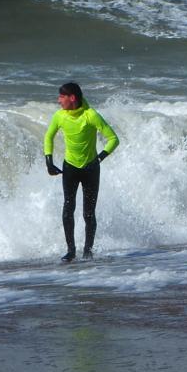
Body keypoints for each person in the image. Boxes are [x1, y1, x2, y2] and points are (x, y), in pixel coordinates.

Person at [44, 82, 120, 261]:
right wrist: (49, 160)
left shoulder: (90, 115)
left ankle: (88, 251)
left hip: (90, 170)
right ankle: (71, 251)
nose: (58, 100)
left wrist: (99, 158)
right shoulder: (60, 116)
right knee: (68, 208)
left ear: (72, 98)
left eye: (62, 97)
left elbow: (113, 139)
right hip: (70, 167)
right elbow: (48, 136)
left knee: (88, 213)